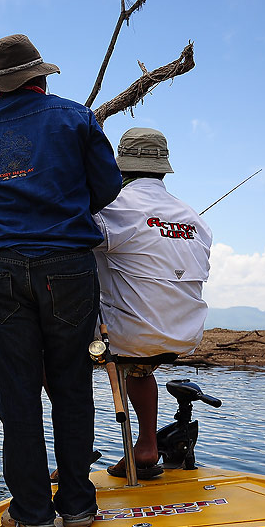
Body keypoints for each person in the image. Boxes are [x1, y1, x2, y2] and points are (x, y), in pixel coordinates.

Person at [0, 34, 121, 527]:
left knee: (17, 390)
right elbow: (106, 187)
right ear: (41, 77)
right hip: (68, 267)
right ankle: (80, 507)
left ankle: (32, 513)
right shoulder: (76, 118)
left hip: (1, 270)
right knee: (72, 383)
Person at [92, 127, 212, 479]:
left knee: (45, 355)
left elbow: (67, 240)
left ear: (121, 169)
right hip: (185, 333)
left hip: (129, 334)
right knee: (139, 364)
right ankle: (146, 446)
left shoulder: (112, 209)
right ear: (163, 169)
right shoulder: (196, 219)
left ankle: (77, 449)